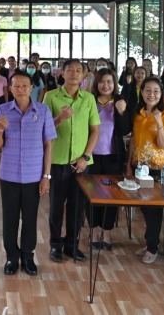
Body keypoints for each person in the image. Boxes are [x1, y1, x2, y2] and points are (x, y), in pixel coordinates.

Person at [0, 72, 56, 276]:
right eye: (16, 86)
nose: (20, 90)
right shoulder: (2, 110)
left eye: (25, 86)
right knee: (9, 218)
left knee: (30, 218)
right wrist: (0, 130)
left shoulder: (43, 111)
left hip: (33, 175)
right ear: (10, 88)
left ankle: (28, 256)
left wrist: (46, 176)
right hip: (9, 174)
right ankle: (12, 257)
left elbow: (48, 145)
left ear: (31, 88)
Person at [42, 59, 100, 263]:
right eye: (70, 70)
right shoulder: (51, 97)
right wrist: (60, 118)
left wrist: (86, 157)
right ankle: (55, 245)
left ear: (84, 75)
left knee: (77, 207)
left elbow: (95, 130)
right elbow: (44, 129)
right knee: (56, 206)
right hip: (57, 161)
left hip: (82, 163)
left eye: (78, 71)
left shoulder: (89, 99)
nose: (74, 74)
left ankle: (72, 245)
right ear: (62, 73)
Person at [126, 77, 164, 264]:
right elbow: (133, 141)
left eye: (156, 91)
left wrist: (159, 122)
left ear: (161, 94)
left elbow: (163, 143)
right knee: (145, 208)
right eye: (147, 90)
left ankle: (153, 247)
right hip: (139, 167)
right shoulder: (137, 114)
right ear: (142, 92)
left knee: (155, 209)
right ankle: (150, 242)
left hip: (158, 168)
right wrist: (128, 164)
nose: (151, 94)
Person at [86, 69, 129, 251]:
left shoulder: (119, 102)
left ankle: (107, 231)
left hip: (113, 157)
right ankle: (94, 230)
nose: (106, 85)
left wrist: (121, 113)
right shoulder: (90, 102)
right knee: (92, 194)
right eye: (102, 82)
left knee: (111, 195)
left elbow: (125, 130)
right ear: (96, 83)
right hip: (91, 156)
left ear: (114, 84)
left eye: (109, 82)